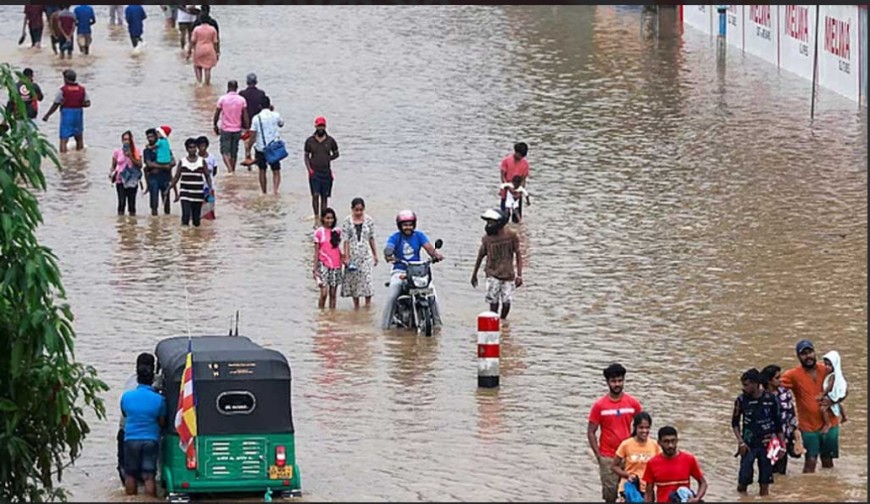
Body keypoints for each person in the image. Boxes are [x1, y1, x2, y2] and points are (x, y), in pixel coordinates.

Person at [781, 339, 847, 473]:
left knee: (828, 462)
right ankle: (807, 493)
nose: (808, 356)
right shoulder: (792, 375)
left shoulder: (827, 369)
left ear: (814, 352)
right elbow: (774, 385)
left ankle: (827, 491)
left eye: (810, 352)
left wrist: (833, 402)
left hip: (831, 424)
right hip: (809, 427)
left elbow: (843, 388)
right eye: (803, 354)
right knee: (810, 462)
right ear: (798, 357)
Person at [587, 363, 643, 503]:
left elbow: (642, 428)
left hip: (630, 457)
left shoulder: (633, 404)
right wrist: (599, 456)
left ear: (624, 381)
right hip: (608, 457)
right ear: (607, 382)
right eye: (613, 381)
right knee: (610, 495)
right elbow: (591, 432)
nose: (617, 384)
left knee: (633, 494)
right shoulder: (599, 406)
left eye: (619, 380)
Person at [382, 210, 444, 329]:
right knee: (392, 296)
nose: (408, 227)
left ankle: (437, 324)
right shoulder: (395, 237)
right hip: (400, 271)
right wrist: (389, 255)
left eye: (410, 224)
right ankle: (385, 326)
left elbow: (429, 248)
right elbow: (389, 248)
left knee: (432, 294)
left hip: (417, 271)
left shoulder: (419, 236)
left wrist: (436, 256)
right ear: (400, 226)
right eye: (405, 225)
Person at [731, 368, 783, 497]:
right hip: (748, 446)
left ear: (755, 384)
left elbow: (778, 424)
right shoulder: (741, 400)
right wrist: (741, 442)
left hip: (767, 445)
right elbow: (735, 423)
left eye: (746, 385)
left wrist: (782, 445)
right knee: (743, 480)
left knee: (765, 483)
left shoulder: (771, 399)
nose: (744, 388)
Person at [119, 363, 166, 496]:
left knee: (130, 475)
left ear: (137, 379)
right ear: (152, 380)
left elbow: (125, 414)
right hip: (151, 439)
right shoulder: (159, 400)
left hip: (131, 439)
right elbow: (162, 421)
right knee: (149, 476)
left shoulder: (126, 397)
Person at [470, 208, 523, 320]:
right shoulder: (487, 239)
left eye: (491, 223)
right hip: (492, 273)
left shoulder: (511, 235)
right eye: (488, 222)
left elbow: (518, 254)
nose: (488, 225)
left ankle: (503, 321)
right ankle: (495, 322)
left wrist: (519, 275)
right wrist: (474, 274)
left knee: (506, 301)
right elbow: (480, 256)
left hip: (508, 274)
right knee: (493, 301)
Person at [117, 353, 158, 483]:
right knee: (148, 475)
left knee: (127, 472)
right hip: (149, 435)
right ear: (153, 367)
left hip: (127, 432)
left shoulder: (130, 381)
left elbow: (124, 412)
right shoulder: (157, 383)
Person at [642, 426, 707, 503]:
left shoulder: (689, 459)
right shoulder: (652, 463)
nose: (670, 445)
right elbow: (649, 492)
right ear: (659, 443)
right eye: (666, 441)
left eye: (673, 441)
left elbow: (703, 483)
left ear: (677, 441)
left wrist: (697, 498)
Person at [760, 364, 801, 475]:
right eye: (777, 378)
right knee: (768, 471)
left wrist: (796, 434)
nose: (780, 380)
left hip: (784, 438)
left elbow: (791, 414)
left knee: (781, 471)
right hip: (767, 440)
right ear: (769, 381)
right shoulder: (760, 396)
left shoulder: (785, 393)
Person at [611, 412, 661, 503]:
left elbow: (661, 465)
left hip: (648, 489)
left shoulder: (655, 445)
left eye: (647, 428)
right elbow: (614, 466)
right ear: (635, 427)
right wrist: (627, 475)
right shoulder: (626, 444)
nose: (644, 431)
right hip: (629, 487)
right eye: (641, 428)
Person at [341, 198, 378, 308]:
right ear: (352, 209)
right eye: (356, 210)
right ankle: (356, 306)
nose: (358, 212)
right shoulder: (347, 221)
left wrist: (375, 254)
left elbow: (371, 238)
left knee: (367, 280)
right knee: (354, 281)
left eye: (361, 210)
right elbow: (346, 240)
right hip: (353, 254)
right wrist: (346, 257)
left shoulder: (369, 221)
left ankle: (367, 304)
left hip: (365, 254)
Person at [42, 69, 91, 153]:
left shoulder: (63, 90)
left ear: (66, 79)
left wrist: (47, 115)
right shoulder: (82, 89)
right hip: (78, 114)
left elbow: (56, 104)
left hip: (67, 114)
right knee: (79, 137)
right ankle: (79, 157)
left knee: (64, 139)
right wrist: (79, 104)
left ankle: (63, 159)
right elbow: (88, 103)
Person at [169, 137, 213, 227]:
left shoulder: (201, 161)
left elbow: (207, 175)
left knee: (196, 220)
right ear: (187, 149)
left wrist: (210, 188)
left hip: (198, 193)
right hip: (185, 193)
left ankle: (195, 238)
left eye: (194, 147)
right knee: (185, 216)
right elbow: (177, 176)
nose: (192, 149)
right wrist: (168, 188)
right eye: (190, 147)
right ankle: (185, 238)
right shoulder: (183, 161)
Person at [303, 116, 339, 224]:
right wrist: (309, 169)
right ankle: (316, 217)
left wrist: (328, 158)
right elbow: (306, 156)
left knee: (324, 196)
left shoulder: (330, 141)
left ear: (325, 126)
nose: (320, 128)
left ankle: (323, 218)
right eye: (319, 126)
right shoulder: (310, 141)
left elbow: (336, 154)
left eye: (322, 126)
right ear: (315, 126)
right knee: (315, 195)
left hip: (326, 172)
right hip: (314, 172)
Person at [213, 80, 250, 174]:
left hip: (225, 129)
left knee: (224, 151)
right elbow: (245, 115)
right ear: (237, 88)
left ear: (228, 87)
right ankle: (232, 170)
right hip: (237, 129)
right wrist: (247, 128)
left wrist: (215, 125)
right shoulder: (241, 100)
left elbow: (217, 114)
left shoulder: (222, 99)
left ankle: (230, 170)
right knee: (234, 151)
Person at [250, 96, 284, 194]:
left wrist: (248, 147)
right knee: (276, 171)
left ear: (259, 106)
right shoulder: (276, 115)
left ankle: (264, 191)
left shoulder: (256, 118)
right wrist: (273, 111)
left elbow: (253, 135)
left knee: (262, 170)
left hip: (261, 147)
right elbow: (281, 124)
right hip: (274, 147)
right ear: (269, 105)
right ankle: (275, 190)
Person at [313, 208, 343, 309]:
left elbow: (339, 248)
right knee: (324, 293)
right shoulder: (318, 232)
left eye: (332, 218)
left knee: (333, 294)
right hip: (323, 264)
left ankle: (331, 316)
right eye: (327, 218)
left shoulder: (337, 231)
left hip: (336, 265)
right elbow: (316, 251)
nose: (330, 221)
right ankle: (321, 313)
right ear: (323, 219)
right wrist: (315, 269)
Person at [109, 130, 143, 216]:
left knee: (131, 204)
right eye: (124, 139)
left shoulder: (136, 151)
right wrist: (111, 174)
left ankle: (132, 224)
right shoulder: (117, 152)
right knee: (121, 202)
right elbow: (113, 165)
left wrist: (130, 156)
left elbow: (140, 165)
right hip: (120, 180)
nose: (126, 141)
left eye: (128, 139)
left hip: (132, 180)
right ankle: (121, 224)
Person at [143, 128, 175, 216]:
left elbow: (173, 161)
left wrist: (158, 166)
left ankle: (166, 224)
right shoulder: (147, 151)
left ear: (156, 136)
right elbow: (149, 164)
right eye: (148, 137)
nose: (150, 139)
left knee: (167, 202)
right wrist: (164, 166)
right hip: (154, 178)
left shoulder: (165, 148)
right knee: (154, 202)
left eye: (152, 136)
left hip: (165, 177)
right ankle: (154, 225)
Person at [240, 73, 268, 167]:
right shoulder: (261, 93)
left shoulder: (242, 94)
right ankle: (258, 164)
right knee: (258, 144)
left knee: (247, 145)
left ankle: (249, 165)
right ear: (256, 82)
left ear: (247, 82)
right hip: (259, 123)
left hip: (245, 124)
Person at [820, 350, 848, 432]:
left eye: (829, 365)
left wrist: (822, 394)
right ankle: (844, 416)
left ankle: (827, 423)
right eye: (826, 364)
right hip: (835, 396)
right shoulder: (837, 375)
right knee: (839, 404)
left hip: (831, 396)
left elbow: (829, 387)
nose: (827, 367)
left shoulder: (832, 376)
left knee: (823, 409)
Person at [187, 16, 218, 86]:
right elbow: (215, 42)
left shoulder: (196, 29)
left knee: (197, 67)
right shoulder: (212, 29)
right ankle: (207, 84)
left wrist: (189, 51)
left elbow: (192, 41)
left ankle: (199, 83)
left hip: (199, 49)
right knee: (207, 69)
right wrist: (216, 52)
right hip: (209, 49)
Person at [499, 142, 529, 215]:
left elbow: (523, 180)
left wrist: (519, 192)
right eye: (518, 154)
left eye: (521, 156)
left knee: (517, 218)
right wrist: (509, 188)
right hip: (506, 193)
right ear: (515, 151)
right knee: (504, 216)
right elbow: (503, 176)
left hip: (517, 194)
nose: (519, 157)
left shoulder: (525, 164)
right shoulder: (506, 161)